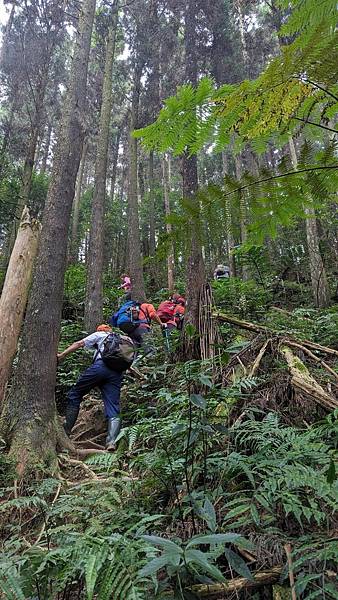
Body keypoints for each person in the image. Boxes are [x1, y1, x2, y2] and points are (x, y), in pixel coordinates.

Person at [57, 324, 132, 451]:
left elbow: (79, 343)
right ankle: (111, 442)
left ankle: (66, 432)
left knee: (75, 394)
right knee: (113, 406)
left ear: (101, 330)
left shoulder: (100, 335)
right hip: (116, 374)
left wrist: (62, 355)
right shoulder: (123, 340)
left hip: (100, 367)